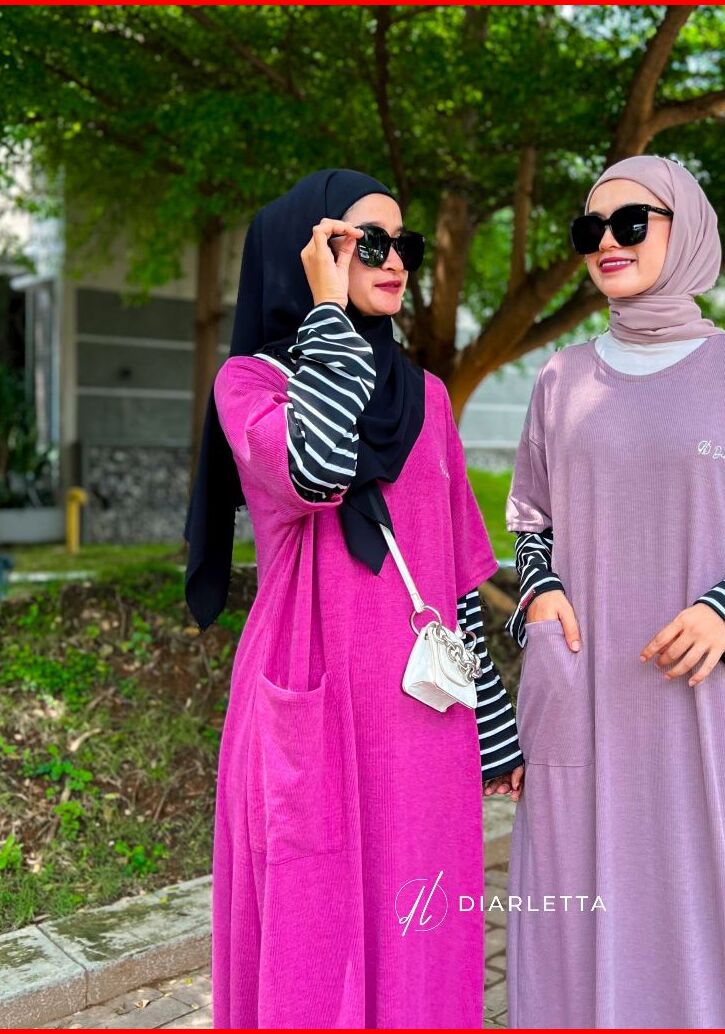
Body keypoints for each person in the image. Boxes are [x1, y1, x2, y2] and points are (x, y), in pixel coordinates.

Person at [183, 168, 524, 1029]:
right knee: (314, 933)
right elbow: (319, 469)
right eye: (366, 242)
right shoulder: (252, 385)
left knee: (419, 935)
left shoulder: (429, 397)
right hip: (315, 699)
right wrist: (329, 316)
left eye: (403, 243)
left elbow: (451, 578)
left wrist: (493, 729)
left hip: (421, 719)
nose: (396, 260)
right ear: (306, 253)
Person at [503, 154, 725, 1028]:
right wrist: (541, 592)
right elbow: (531, 522)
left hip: (708, 706)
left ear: (683, 229)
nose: (606, 243)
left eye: (630, 222)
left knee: (714, 916)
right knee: (576, 917)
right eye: (590, 229)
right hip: (584, 702)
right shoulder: (560, 379)